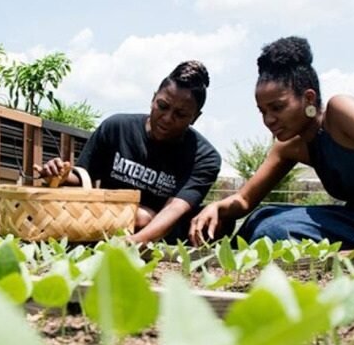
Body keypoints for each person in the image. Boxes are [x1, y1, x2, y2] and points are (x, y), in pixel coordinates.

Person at [189, 36, 354, 257]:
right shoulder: (290, 146)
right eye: (262, 111)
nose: (269, 119)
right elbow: (245, 201)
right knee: (263, 218)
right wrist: (217, 208)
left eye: (277, 107)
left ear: (309, 98)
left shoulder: (339, 112)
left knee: (273, 230)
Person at [37, 60, 222, 243]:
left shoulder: (204, 157)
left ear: (195, 117)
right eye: (162, 106)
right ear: (153, 98)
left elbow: (174, 209)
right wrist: (60, 175)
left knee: (145, 218)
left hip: (161, 236)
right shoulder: (116, 128)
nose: (167, 118)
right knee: (141, 216)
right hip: (108, 223)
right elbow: (83, 177)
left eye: (180, 115)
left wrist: (134, 242)